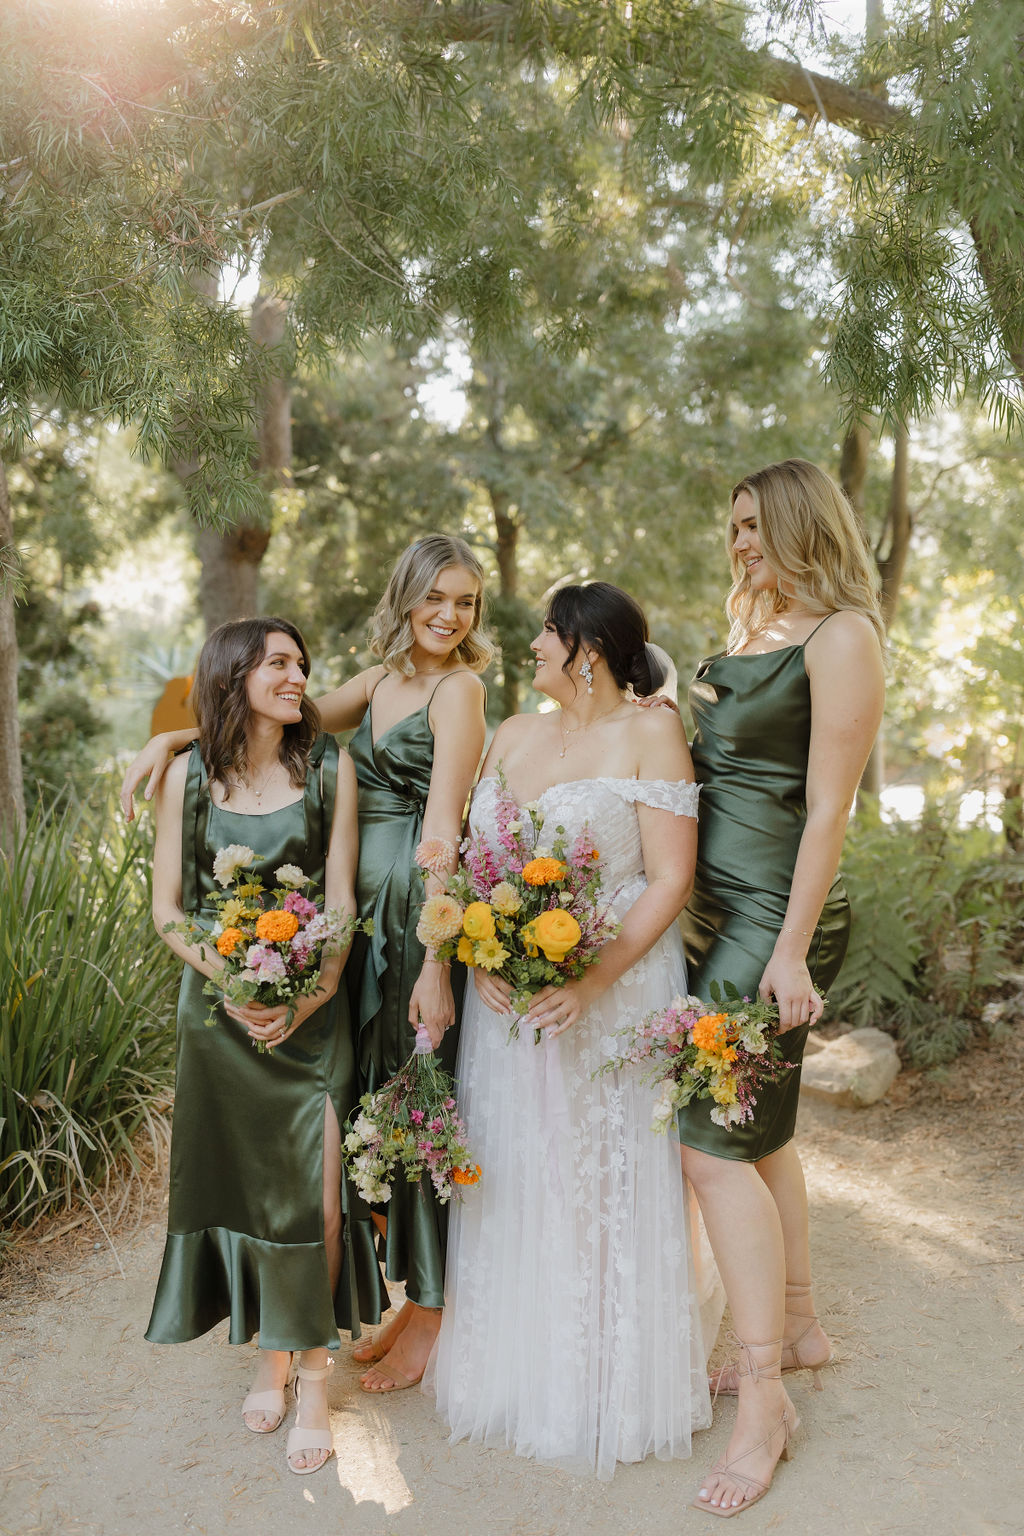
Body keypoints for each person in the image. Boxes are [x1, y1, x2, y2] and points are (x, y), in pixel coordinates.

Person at [123, 536, 490, 1393]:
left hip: (402, 925)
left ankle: (430, 1315)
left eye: (467, 602)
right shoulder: (382, 683)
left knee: (410, 1105)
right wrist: (177, 739)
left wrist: (435, 962)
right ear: (403, 597)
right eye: (435, 596)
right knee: (359, 1121)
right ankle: (387, 1301)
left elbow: (443, 833)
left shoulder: (458, 688)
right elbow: (273, 714)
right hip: (336, 931)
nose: (449, 615)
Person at [429, 582, 712, 1481]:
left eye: (548, 634)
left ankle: (605, 1375)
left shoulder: (650, 731)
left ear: (586, 647)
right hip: (504, 1000)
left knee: (601, 1173)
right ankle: (519, 1366)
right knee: (521, 1170)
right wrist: (477, 953)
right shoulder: (510, 733)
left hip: (613, 989)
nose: (536, 647)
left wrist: (588, 982)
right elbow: (477, 865)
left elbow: (668, 880)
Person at [674, 459, 885, 1517]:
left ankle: (764, 1402)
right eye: (734, 527)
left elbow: (826, 811)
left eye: (754, 524)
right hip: (714, 913)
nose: (741, 542)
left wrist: (789, 951)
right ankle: (798, 1324)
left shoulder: (840, 635)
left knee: (704, 1147)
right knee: (761, 1136)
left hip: (773, 923)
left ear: (801, 520)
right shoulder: (752, 629)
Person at [147, 616, 370, 1476]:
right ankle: (272, 1358)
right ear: (235, 672)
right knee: (248, 1197)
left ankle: (315, 1377)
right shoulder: (188, 778)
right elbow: (169, 906)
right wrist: (232, 977)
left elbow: (341, 899)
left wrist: (311, 990)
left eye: (301, 664)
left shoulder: (328, 770)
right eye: (278, 662)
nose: (297, 675)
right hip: (220, 1020)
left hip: (314, 1012)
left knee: (314, 1202)